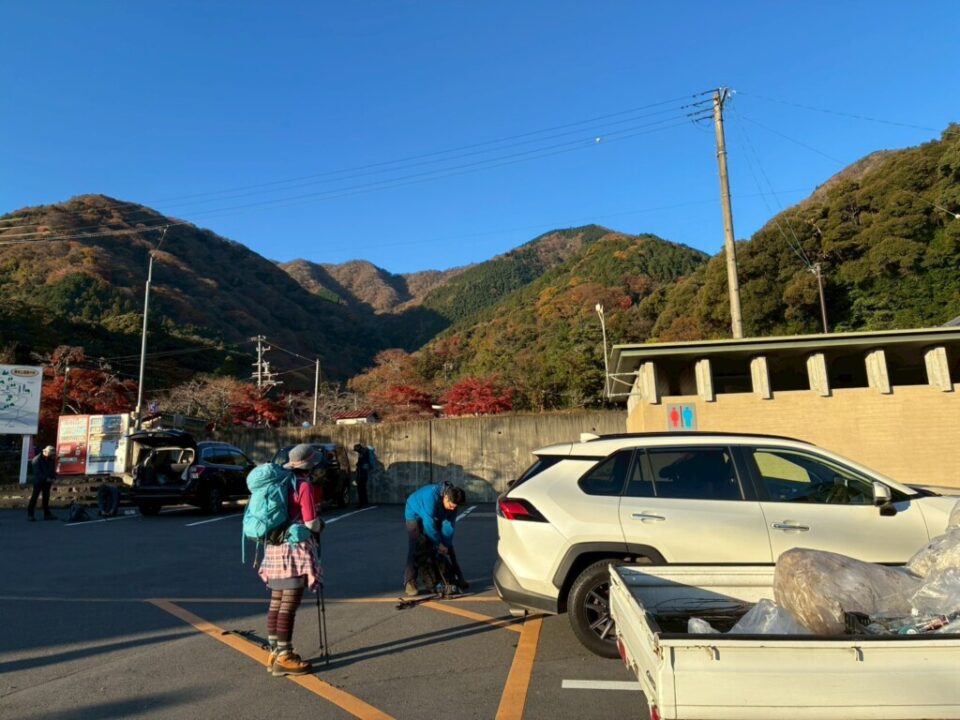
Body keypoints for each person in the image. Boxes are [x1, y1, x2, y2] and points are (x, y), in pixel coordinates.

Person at [258, 444, 324, 676]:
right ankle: (285, 656)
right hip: (293, 550)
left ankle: (275, 652)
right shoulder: (303, 485)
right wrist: (320, 525)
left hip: (273, 547)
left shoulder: (279, 482)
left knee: (276, 602)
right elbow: (310, 522)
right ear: (309, 465)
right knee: (289, 604)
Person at [403, 481, 468, 596]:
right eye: (451, 506)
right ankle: (410, 582)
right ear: (446, 497)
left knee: (449, 548)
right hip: (414, 513)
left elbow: (449, 525)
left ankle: (457, 577)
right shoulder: (430, 497)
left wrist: (445, 544)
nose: (452, 509)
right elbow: (428, 524)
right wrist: (438, 544)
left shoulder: (453, 500)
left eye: (455, 507)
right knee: (417, 545)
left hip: (434, 513)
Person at [28, 445, 57, 521]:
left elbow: (51, 469)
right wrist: (46, 478)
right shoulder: (36, 460)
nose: (52, 456)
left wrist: (53, 477)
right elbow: (37, 472)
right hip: (38, 481)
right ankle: (30, 515)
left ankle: (47, 514)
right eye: (51, 454)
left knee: (46, 498)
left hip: (47, 481)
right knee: (34, 497)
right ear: (46, 452)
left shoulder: (50, 459)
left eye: (53, 455)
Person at [353, 443, 372, 508]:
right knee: (363, 488)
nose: (356, 452)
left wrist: (357, 464)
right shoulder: (365, 452)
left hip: (361, 473)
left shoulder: (362, 454)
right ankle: (365, 502)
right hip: (364, 474)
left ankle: (360, 503)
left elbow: (360, 463)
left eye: (356, 450)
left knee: (360, 488)